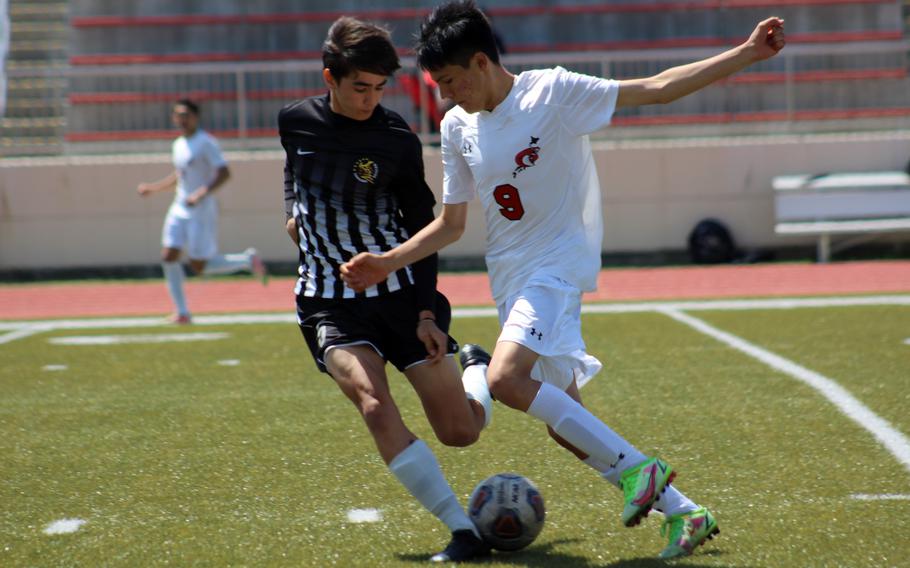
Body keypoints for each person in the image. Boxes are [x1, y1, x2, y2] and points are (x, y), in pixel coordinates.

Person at [341, 0, 786, 559]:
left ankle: (641, 473)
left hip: (556, 264)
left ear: (481, 62)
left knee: (505, 380)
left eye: (452, 81)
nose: (447, 97)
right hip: (510, 275)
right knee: (562, 419)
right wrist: (389, 261)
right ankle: (685, 512)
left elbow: (658, 88)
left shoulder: (552, 93)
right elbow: (451, 224)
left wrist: (746, 53)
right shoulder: (457, 125)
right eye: (439, 86)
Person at [278, 16, 493, 563]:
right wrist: (293, 213)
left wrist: (426, 313)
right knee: (374, 404)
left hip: (402, 298)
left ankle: (476, 371)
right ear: (330, 77)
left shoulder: (395, 138)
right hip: (328, 300)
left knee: (460, 433)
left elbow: (426, 227)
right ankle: (463, 529)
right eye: (359, 88)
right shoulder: (294, 122)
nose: (370, 99)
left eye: (379, 89)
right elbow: (292, 172)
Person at [137, 99, 267, 324]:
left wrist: (201, 193)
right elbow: (181, 175)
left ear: (196, 117)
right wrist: (154, 188)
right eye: (178, 115)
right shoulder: (178, 143)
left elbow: (224, 172)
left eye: (186, 114)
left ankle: (246, 260)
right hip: (180, 206)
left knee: (200, 266)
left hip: (201, 209)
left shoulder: (206, 142)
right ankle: (182, 312)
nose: (182, 119)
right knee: (168, 256)